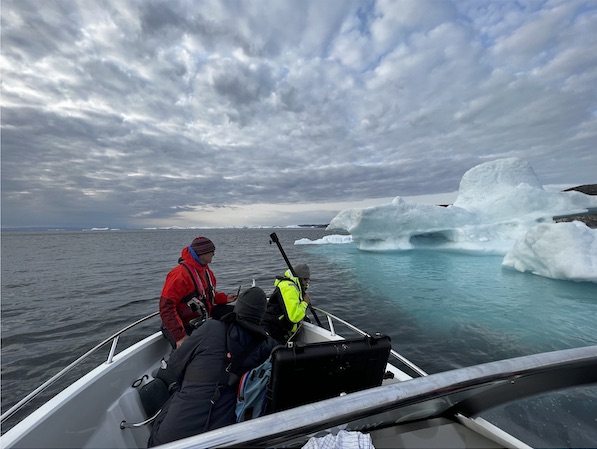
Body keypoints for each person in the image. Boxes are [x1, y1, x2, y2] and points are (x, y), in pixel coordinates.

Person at [148, 287, 277, 447]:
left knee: (168, 386)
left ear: (238, 308)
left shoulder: (210, 328)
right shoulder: (267, 347)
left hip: (169, 440)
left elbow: (174, 364)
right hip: (223, 437)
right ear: (260, 316)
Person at [159, 236, 237, 349]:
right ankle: (174, 363)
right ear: (202, 253)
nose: (214, 254)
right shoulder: (179, 275)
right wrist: (180, 336)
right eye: (211, 251)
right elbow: (166, 308)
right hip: (181, 324)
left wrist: (224, 299)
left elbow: (207, 294)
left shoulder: (205, 271)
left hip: (201, 317)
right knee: (189, 351)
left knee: (237, 314)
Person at [262, 263, 311, 343]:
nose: (306, 283)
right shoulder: (289, 288)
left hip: (278, 327)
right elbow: (294, 317)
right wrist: (305, 303)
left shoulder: (291, 286)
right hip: (273, 329)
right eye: (305, 279)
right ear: (299, 279)